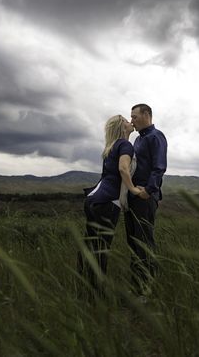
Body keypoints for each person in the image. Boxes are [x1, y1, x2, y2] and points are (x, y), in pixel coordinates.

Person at [78, 115, 142, 293]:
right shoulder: (125, 145)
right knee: (101, 248)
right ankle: (95, 293)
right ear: (122, 127)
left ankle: (83, 288)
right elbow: (123, 168)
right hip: (107, 201)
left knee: (90, 246)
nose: (130, 122)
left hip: (94, 199)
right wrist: (134, 189)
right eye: (126, 120)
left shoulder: (111, 146)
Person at [126, 103, 167, 297]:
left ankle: (145, 291)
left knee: (144, 243)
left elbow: (159, 167)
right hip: (133, 196)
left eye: (134, 116)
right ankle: (136, 287)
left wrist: (148, 191)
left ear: (146, 115)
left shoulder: (156, 136)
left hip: (145, 197)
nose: (132, 120)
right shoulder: (138, 139)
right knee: (133, 242)